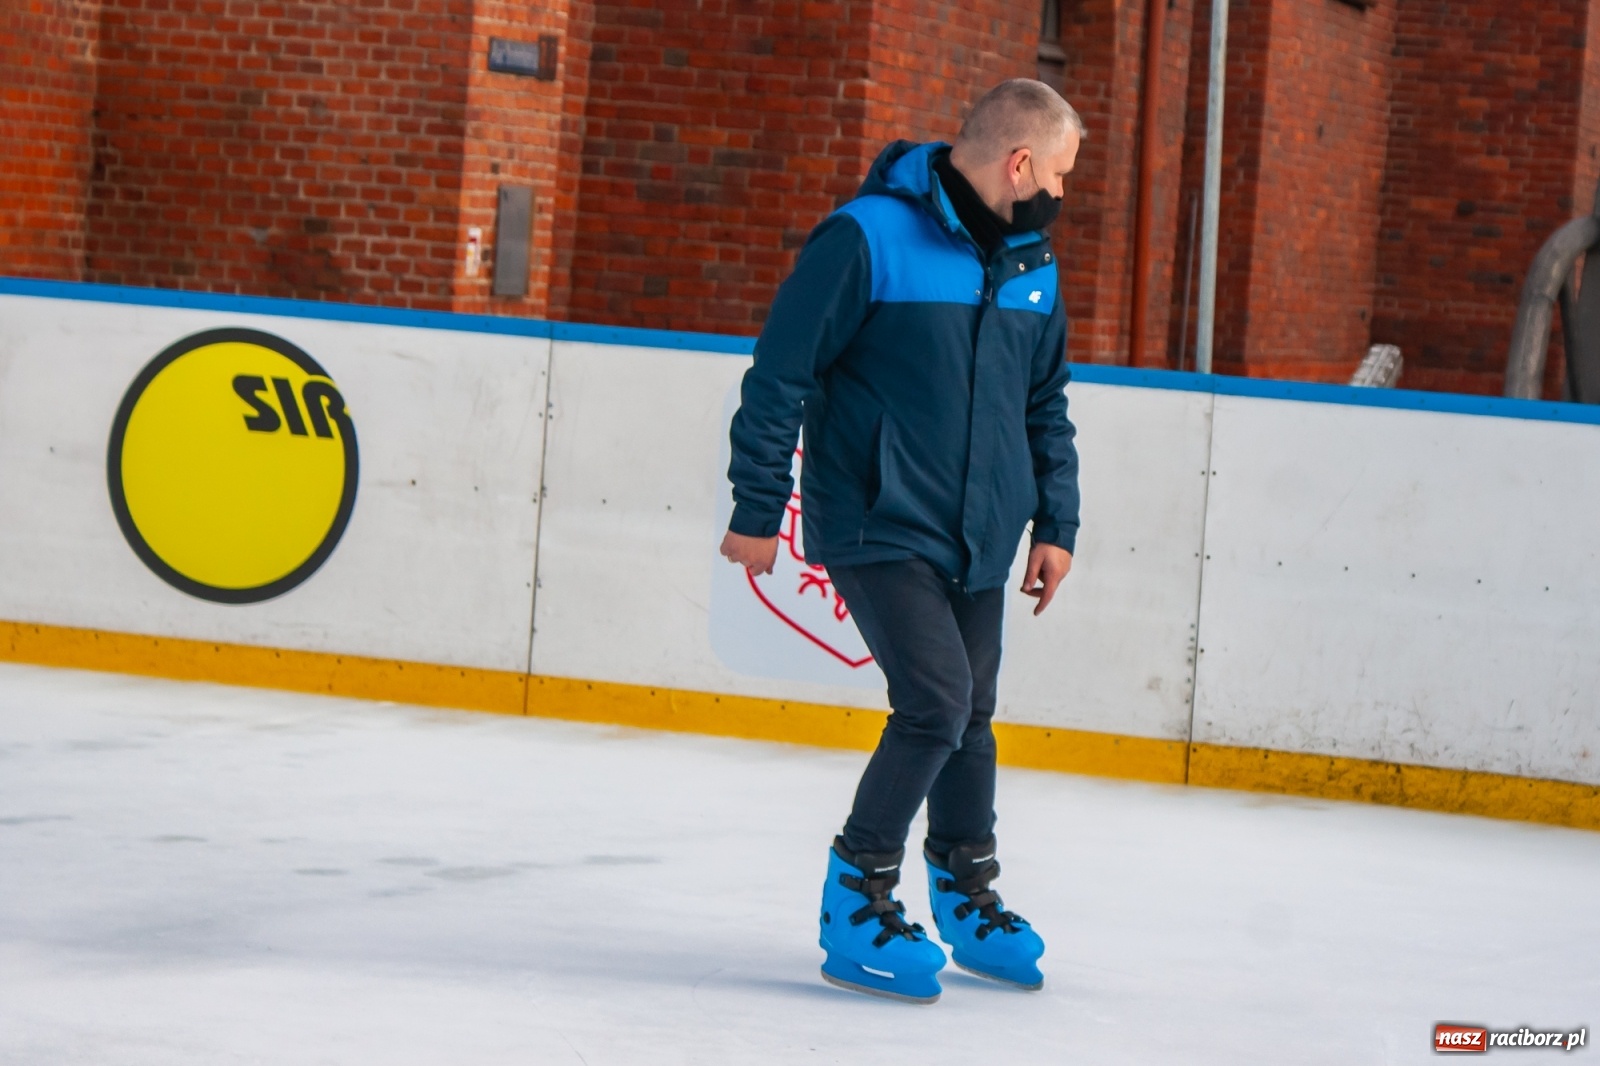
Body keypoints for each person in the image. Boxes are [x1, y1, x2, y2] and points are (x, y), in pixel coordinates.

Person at [719, 79, 1084, 1004]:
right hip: (876, 518)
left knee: (971, 713)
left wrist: (1056, 522)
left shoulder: (1033, 262)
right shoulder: (867, 238)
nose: (1061, 193)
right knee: (936, 701)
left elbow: (1044, 404)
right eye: (1060, 174)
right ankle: (858, 897)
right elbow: (780, 374)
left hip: (981, 529)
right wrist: (758, 508)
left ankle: (966, 894)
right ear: (1020, 164)